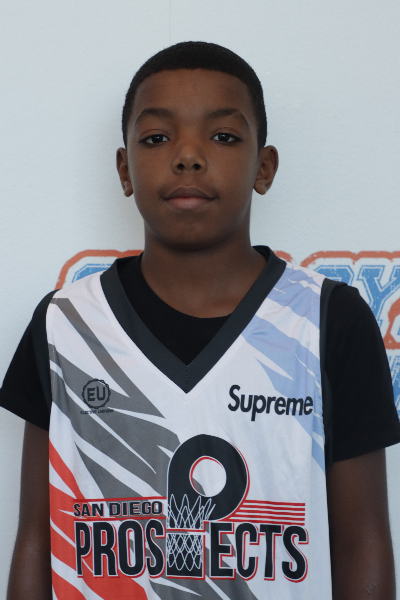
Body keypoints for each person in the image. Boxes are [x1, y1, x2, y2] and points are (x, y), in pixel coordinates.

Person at [1, 41, 399, 600]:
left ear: (264, 167)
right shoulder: (63, 325)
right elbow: (35, 541)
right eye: (157, 138)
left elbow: (361, 542)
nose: (188, 155)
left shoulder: (328, 319)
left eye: (224, 136)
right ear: (124, 169)